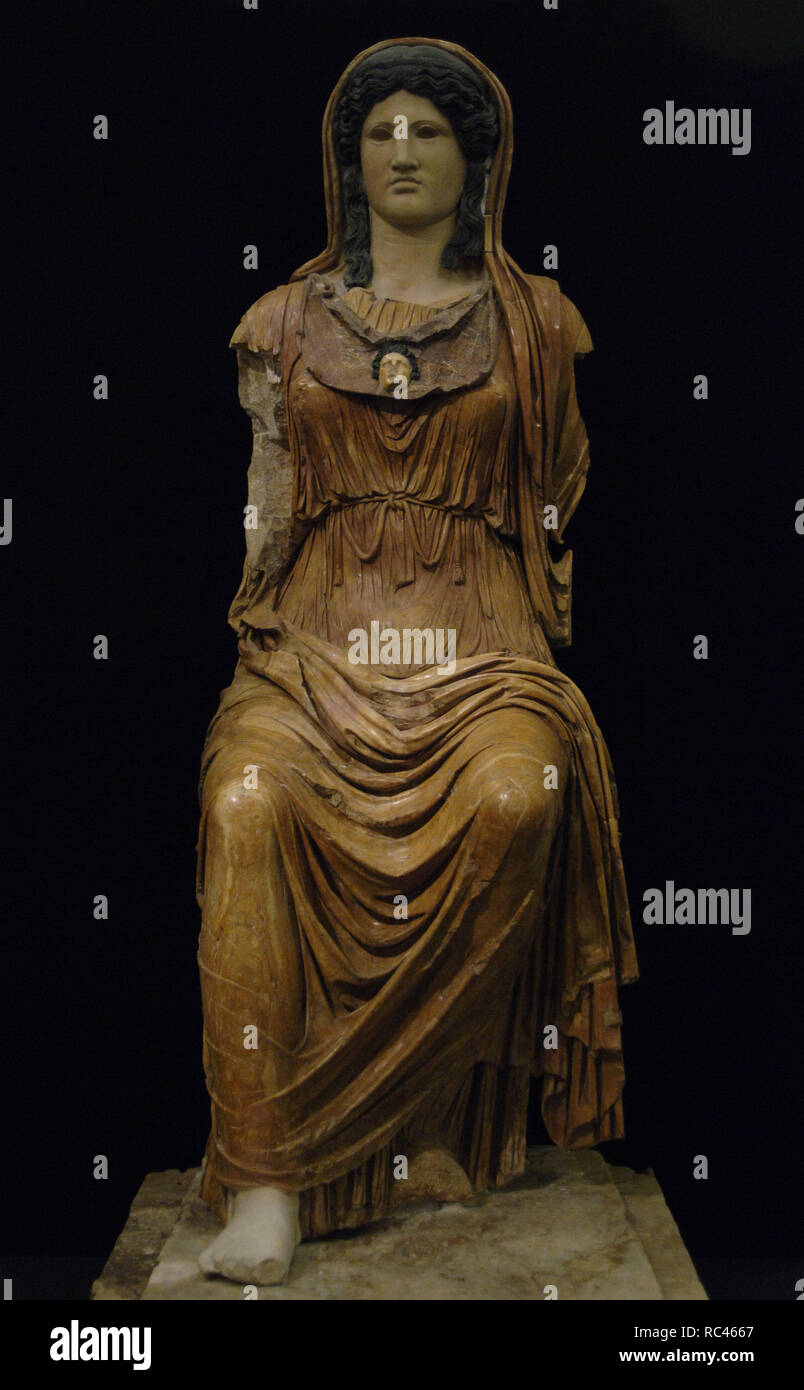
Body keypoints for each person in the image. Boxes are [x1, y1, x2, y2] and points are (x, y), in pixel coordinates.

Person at [196, 36, 638, 1286]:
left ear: (476, 159)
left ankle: (414, 1124)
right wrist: (271, 650)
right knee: (244, 806)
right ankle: (267, 1181)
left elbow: (557, 492)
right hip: (313, 651)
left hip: (480, 651)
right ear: (347, 159)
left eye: (428, 131)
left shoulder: (537, 322)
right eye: (379, 131)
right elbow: (266, 507)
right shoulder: (282, 323)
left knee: (518, 798)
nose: (401, 151)